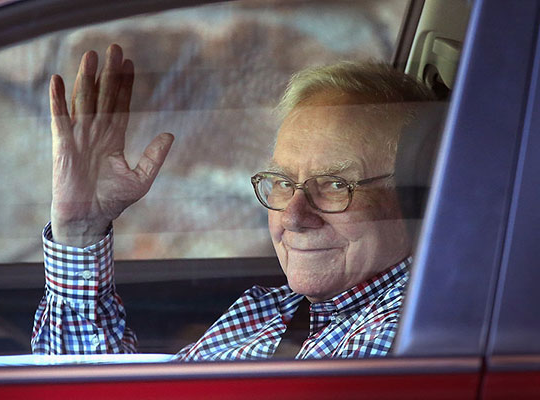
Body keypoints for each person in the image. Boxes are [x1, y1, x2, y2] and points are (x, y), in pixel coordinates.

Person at [32, 44, 436, 359]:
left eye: (333, 185)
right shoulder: (270, 310)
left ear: (416, 196)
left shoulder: (400, 331)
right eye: (281, 182)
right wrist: (80, 228)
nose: (293, 216)